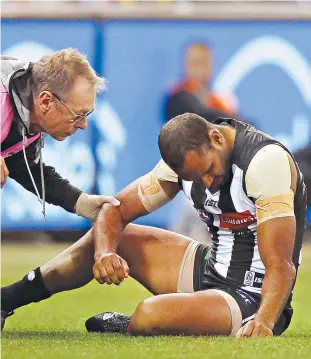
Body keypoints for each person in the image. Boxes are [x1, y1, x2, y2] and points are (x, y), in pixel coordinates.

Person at [1, 114, 306, 338]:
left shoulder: (265, 162)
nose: (207, 183)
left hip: (255, 296)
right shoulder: (186, 159)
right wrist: (105, 253)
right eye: (195, 178)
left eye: (209, 171)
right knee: (111, 236)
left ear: (216, 138)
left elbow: (280, 263)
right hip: (211, 269)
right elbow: (114, 211)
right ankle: (6, 300)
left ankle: (132, 325)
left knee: (149, 313)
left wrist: (264, 322)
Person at [1, 49, 119, 220]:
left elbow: (24, 167)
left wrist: (80, 202)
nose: (84, 125)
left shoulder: (29, 109)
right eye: (78, 115)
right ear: (46, 101)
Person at [164, 43, 237, 123]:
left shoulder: (218, 101)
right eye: (193, 62)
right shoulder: (177, 98)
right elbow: (201, 117)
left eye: (203, 62)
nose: (197, 67)